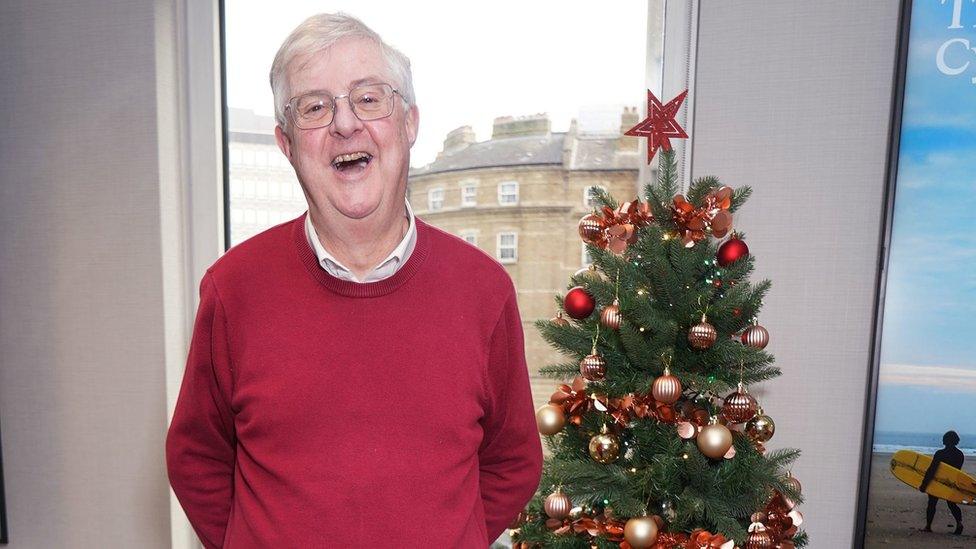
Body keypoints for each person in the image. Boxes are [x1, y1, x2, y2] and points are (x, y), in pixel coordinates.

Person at [165, 13, 543, 548]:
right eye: (315, 107)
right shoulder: (233, 289)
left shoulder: (484, 290)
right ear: (287, 144)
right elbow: (196, 458)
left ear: (409, 123)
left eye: (368, 99)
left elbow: (512, 462)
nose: (345, 125)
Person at [919, 430, 964, 535]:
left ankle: (928, 526)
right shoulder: (960, 455)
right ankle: (959, 523)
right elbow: (957, 472)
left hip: (937, 482)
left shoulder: (940, 453)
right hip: (951, 483)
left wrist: (924, 484)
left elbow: (932, 470)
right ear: (956, 441)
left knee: (932, 503)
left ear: (945, 441)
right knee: (952, 504)